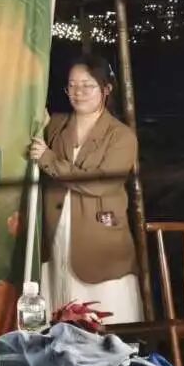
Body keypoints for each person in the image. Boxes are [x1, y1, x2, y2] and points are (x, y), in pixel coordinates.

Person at [27, 56, 144, 323]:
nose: (78, 92)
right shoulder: (56, 125)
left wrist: (48, 159)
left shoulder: (121, 136)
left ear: (106, 89)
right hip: (57, 233)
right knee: (59, 310)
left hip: (99, 240)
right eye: (72, 85)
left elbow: (100, 184)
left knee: (105, 318)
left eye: (87, 85)